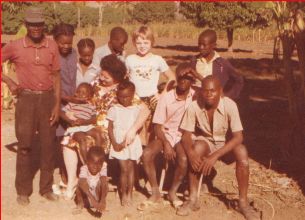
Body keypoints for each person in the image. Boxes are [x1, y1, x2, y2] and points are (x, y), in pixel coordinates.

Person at [63, 54, 150, 201]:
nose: (102, 78)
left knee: (88, 139)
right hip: (89, 123)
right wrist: (71, 111)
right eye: (101, 74)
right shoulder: (96, 84)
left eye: (106, 77)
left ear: (116, 77)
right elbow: (81, 98)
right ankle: (73, 181)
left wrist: (133, 129)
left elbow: (145, 110)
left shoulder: (123, 89)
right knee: (68, 140)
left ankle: (93, 177)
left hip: (110, 130)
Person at [176, 76, 259, 219]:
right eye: (205, 91)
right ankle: (193, 198)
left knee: (242, 152)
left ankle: (243, 203)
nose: (209, 94)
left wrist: (214, 156)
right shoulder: (194, 106)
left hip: (225, 144)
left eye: (213, 91)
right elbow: (185, 135)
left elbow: (238, 137)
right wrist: (190, 153)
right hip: (207, 141)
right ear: (200, 91)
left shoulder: (230, 105)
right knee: (197, 149)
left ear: (220, 91)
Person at [1, 7, 61, 205]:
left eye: (39, 24)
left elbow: (56, 76)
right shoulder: (16, 46)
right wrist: (9, 81)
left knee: (48, 146)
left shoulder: (52, 46)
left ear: (44, 25)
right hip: (26, 100)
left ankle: (45, 189)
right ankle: (23, 191)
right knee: (25, 145)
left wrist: (56, 105)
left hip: (47, 99)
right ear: (26, 25)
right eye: (32, 24)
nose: (36, 28)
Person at [140, 63, 195, 206]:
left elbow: (214, 88)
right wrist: (166, 143)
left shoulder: (195, 95)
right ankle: (155, 191)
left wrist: (195, 72)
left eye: (188, 78)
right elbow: (158, 126)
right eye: (180, 78)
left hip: (184, 135)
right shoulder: (167, 97)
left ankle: (172, 192)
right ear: (176, 78)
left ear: (192, 80)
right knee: (147, 154)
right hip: (166, 134)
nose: (183, 81)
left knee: (183, 160)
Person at [125, 25, 175, 144]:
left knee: (151, 129)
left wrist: (162, 94)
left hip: (152, 98)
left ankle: (150, 153)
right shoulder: (130, 59)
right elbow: (125, 78)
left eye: (146, 42)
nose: (142, 46)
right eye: (139, 43)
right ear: (134, 43)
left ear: (151, 42)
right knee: (138, 127)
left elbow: (172, 77)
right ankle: (139, 153)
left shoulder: (157, 59)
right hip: (135, 99)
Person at [107, 80, 143, 206]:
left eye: (127, 96)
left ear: (133, 95)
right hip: (118, 142)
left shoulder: (137, 109)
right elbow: (110, 128)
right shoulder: (114, 109)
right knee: (124, 169)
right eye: (121, 97)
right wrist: (115, 143)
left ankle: (129, 192)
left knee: (131, 168)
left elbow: (138, 127)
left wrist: (130, 138)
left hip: (131, 141)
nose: (124, 99)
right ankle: (123, 194)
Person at [52, 22, 77, 193]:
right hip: (57, 102)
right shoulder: (52, 55)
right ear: (55, 40)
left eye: (69, 42)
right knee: (60, 139)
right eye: (62, 43)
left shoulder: (75, 54)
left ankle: (74, 172)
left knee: (74, 137)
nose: (66, 46)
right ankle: (64, 173)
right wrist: (63, 98)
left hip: (75, 102)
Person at [183, 29, 243, 100]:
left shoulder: (222, 64)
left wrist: (228, 97)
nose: (201, 47)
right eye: (199, 44)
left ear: (214, 45)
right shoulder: (194, 60)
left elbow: (239, 80)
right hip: (195, 102)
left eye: (204, 45)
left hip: (214, 103)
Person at [60, 83, 102, 165]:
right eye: (78, 92)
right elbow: (61, 112)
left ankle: (99, 157)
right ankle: (87, 163)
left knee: (98, 134)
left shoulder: (90, 106)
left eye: (83, 93)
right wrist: (70, 121)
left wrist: (85, 122)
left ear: (89, 96)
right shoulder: (72, 104)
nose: (79, 94)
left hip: (87, 126)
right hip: (75, 128)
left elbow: (94, 119)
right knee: (82, 139)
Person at [75, 146, 108, 214]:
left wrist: (102, 200)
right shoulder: (84, 168)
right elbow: (82, 182)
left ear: (102, 164)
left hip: (98, 199)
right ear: (87, 162)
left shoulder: (103, 167)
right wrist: (93, 201)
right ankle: (80, 205)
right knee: (79, 184)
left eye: (99, 164)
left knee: (104, 182)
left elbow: (104, 182)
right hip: (87, 199)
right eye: (93, 163)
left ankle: (100, 206)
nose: (95, 166)